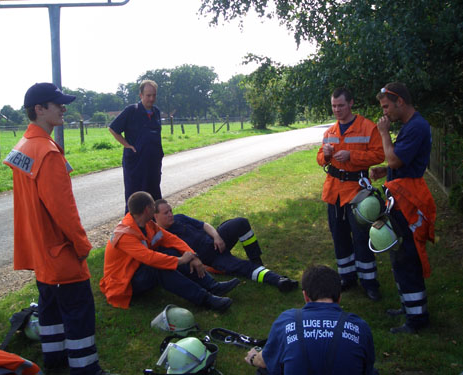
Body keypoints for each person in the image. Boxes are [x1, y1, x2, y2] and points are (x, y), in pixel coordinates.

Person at [3, 83, 108, 375]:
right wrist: (82, 245)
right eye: (57, 104)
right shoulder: (47, 153)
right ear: (39, 109)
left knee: (50, 309)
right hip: (59, 252)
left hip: (40, 250)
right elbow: (64, 211)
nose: (64, 108)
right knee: (79, 312)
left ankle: (55, 361)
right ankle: (86, 368)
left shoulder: (23, 145)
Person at [99, 191, 240, 312]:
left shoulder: (146, 223)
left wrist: (192, 255)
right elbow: (150, 258)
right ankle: (206, 299)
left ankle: (213, 286)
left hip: (137, 271)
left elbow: (171, 239)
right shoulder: (125, 234)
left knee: (172, 251)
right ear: (148, 209)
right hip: (124, 283)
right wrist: (180, 261)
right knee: (158, 268)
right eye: (153, 206)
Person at [371, 82, 436, 334]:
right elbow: (397, 162)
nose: (385, 113)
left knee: (407, 256)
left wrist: (384, 134)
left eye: (386, 107)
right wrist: (385, 171)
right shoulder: (411, 126)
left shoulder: (416, 126)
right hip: (401, 195)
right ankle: (408, 306)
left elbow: (396, 158)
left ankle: (417, 319)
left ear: (400, 101)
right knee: (399, 254)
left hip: (408, 200)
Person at [317, 87, 385, 301]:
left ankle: (368, 281)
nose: (337, 110)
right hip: (334, 192)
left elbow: (380, 153)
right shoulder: (330, 132)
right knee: (339, 236)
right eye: (334, 106)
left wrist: (353, 156)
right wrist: (325, 156)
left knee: (362, 237)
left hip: (357, 192)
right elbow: (320, 158)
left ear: (351, 103)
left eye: (341, 105)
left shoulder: (367, 127)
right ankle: (346, 277)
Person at [244, 265, 376, 374]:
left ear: (305, 296)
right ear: (339, 297)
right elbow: (367, 368)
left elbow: (265, 361)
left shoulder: (286, 321)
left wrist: (253, 357)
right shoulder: (360, 326)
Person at [154, 199, 299, 292]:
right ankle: (278, 280)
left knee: (241, 222)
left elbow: (204, 225)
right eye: (166, 213)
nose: (170, 214)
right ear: (155, 217)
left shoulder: (180, 218)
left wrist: (217, 236)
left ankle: (256, 260)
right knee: (245, 268)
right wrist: (208, 268)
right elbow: (183, 262)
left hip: (217, 241)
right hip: (213, 258)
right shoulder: (161, 238)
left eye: (171, 210)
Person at [109, 79, 164, 212]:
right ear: (141, 95)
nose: (151, 99)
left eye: (154, 95)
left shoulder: (156, 112)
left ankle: (154, 227)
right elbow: (113, 128)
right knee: (135, 198)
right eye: (148, 95)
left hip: (153, 162)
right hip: (136, 163)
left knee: (154, 195)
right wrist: (127, 145)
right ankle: (132, 228)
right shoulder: (131, 111)